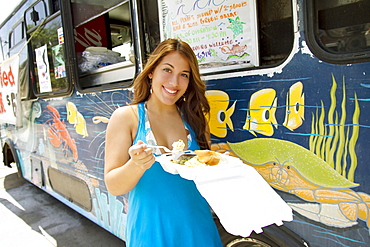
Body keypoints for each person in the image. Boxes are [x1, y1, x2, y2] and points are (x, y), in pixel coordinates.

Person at [104, 38, 223, 247]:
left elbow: (204, 173)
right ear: (151, 72)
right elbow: (113, 186)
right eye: (167, 70)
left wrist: (219, 163)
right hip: (151, 233)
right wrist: (136, 164)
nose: (174, 82)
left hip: (198, 228)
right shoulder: (127, 117)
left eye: (184, 75)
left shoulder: (195, 119)